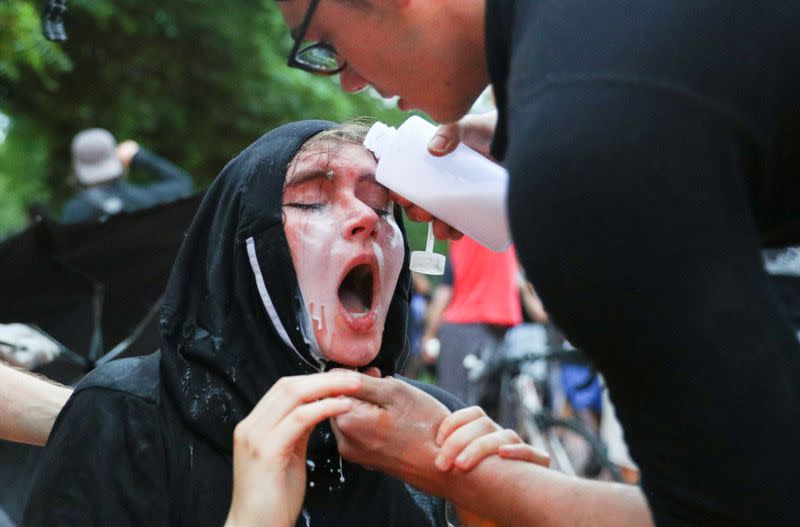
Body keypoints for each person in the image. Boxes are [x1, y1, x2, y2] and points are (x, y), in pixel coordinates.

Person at [275, 0, 800, 524]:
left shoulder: (590, 144)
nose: (344, 81)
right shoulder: (608, 62)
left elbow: (746, 511)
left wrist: (457, 472)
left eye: (322, 41)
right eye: (311, 202)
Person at [24, 121, 542, 527]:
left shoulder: (436, 426)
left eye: (383, 205)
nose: (365, 217)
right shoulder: (120, 415)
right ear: (246, 246)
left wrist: (488, 512)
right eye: (312, 200)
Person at [421, 238, 522, 415]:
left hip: (464, 326)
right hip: (501, 327)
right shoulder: (504, 229)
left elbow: (446, 290)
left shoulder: (463, 232)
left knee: (454, 407)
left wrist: (429, 335)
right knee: (495, 411)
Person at [61, 128, 192, 224]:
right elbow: (182, 183)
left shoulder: (74, 212)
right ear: (116, 160)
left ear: (76, 167)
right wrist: (138, 156)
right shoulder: (143, 200)